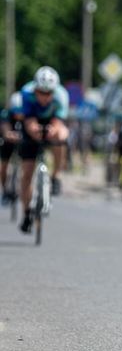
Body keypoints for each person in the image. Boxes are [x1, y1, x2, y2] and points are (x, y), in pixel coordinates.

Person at [19, 66, 69, 234]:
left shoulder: (61, 95)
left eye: (49, 93)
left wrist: (53, 131)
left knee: (61, 136)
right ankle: (27, 213)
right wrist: (34, 131)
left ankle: (56, 175)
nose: (45, 96)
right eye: (41, 92)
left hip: (52, 122)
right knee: (27, 173)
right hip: (32, 123)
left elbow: (59, 122)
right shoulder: (26, 93)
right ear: (35, 89)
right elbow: (29, 121)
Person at [0, 91, 24, 203]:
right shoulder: (6, 114)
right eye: (16, 111)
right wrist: (9, 134)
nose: (19, 114)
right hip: (8, 141)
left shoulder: (28, 114)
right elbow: (6, 131)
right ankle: (5, 189)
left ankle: (21, 186)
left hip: (22, 142)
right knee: (4, 165)